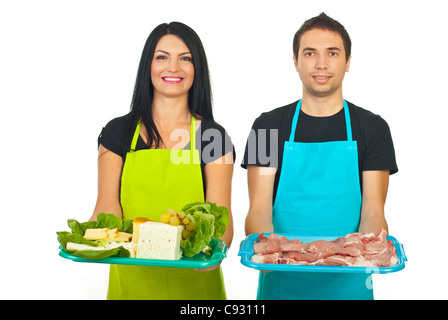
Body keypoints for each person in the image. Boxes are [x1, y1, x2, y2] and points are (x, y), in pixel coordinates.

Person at [241, 13, 398, 300]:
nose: (321, 64)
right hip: (282, 280)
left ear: (348, 62)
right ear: (295, 61)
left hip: (350, 281)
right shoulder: (266, 126)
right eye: (310, 53)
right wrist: (272, 258)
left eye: (332, 53)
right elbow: (259, 209)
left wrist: (363, 256)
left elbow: (373, 211)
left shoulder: (373, 128)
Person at [89, 22, 234, 300]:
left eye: (185, 58)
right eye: (162, 57)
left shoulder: (212, 136)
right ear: (148, 66)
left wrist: (216, 251)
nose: (173, 68)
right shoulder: (118, 132)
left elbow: (221, 218)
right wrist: (88, 241)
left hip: (196, 284)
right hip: (132, 283)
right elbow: (107, 206)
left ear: (197, 69)